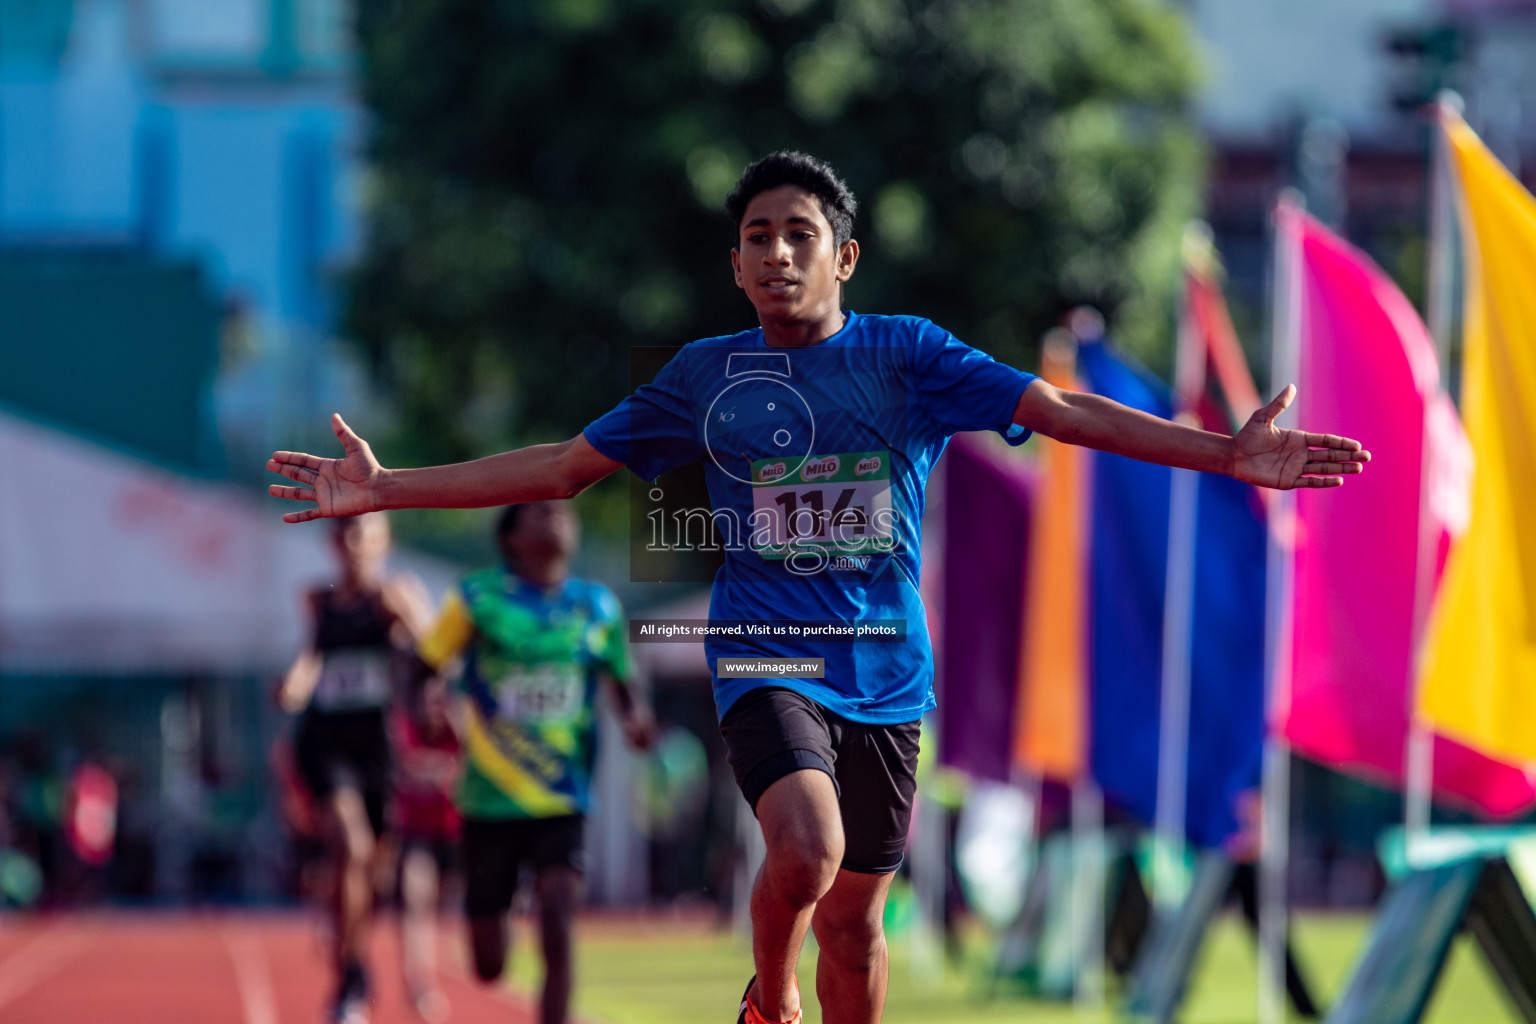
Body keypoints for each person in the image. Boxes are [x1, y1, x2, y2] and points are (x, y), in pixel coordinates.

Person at [268, 152, 1370, 1024]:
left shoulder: (909, 357)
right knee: (806, 849)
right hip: (762, 652)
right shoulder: (703, 376)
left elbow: (1060, 412)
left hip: (888, 675)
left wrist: (1225, 453)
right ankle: (767, 989)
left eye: (801, 236)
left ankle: (810, 983)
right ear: (737, 266)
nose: (778, 253)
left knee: (858, 926)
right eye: (758, 238)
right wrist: (386, 490)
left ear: (844, 257)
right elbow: (562, 467)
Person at [413, 501, 654, 1024]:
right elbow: (421, 665)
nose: (559, 515)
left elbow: (624, 683)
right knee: (489, 966)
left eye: (564, 510)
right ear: (512, 538)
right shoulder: (477, 599)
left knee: (559, 923)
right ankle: (497, 907)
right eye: (540, 511)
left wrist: (636, 719)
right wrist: (427, 705)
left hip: (562, 793)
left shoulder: (598, 607)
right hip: (488, 798)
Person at [280, 512, 432, 1024]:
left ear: (384, 542)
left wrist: (407, 620)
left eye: (365, 536)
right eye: (346, 535)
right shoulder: (318, 600)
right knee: (352, 844)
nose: (355, 546)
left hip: (379, 746)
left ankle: (354, 952)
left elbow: (438, 653)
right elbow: (311, 657)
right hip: (326, 742)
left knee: (371, 873)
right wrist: (294, 686)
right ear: (333, 542)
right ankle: (348, 981)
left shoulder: (398, 593)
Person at [389, 672, 462, 1023]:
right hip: (415, 832)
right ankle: (418, 982)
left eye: (440, 700)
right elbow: (400, 768)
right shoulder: (404, 729)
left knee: (442, 907)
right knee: (416, 901)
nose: (433, 708)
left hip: (454, 835)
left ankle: (446, 966)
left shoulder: (457, 731)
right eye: (427, 700)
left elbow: (473, 767)